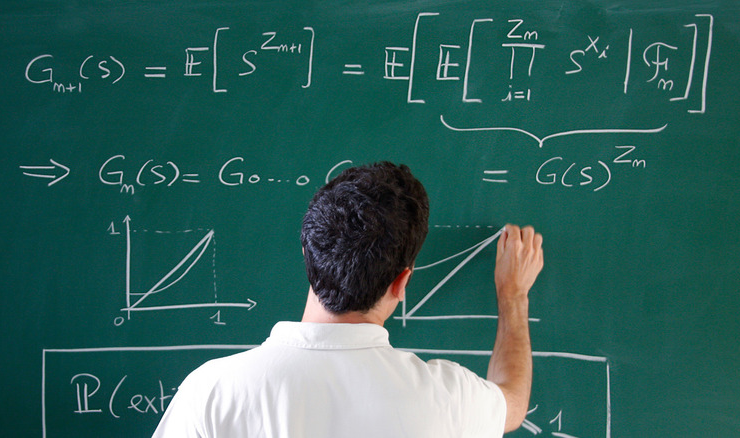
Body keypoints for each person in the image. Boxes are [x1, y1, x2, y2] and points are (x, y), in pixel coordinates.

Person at [152, 162, 543, 437]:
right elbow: (512, 402)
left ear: (307, 253)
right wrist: (513, 295)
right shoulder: (448, 399)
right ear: (402, 282)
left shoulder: (213, 392)